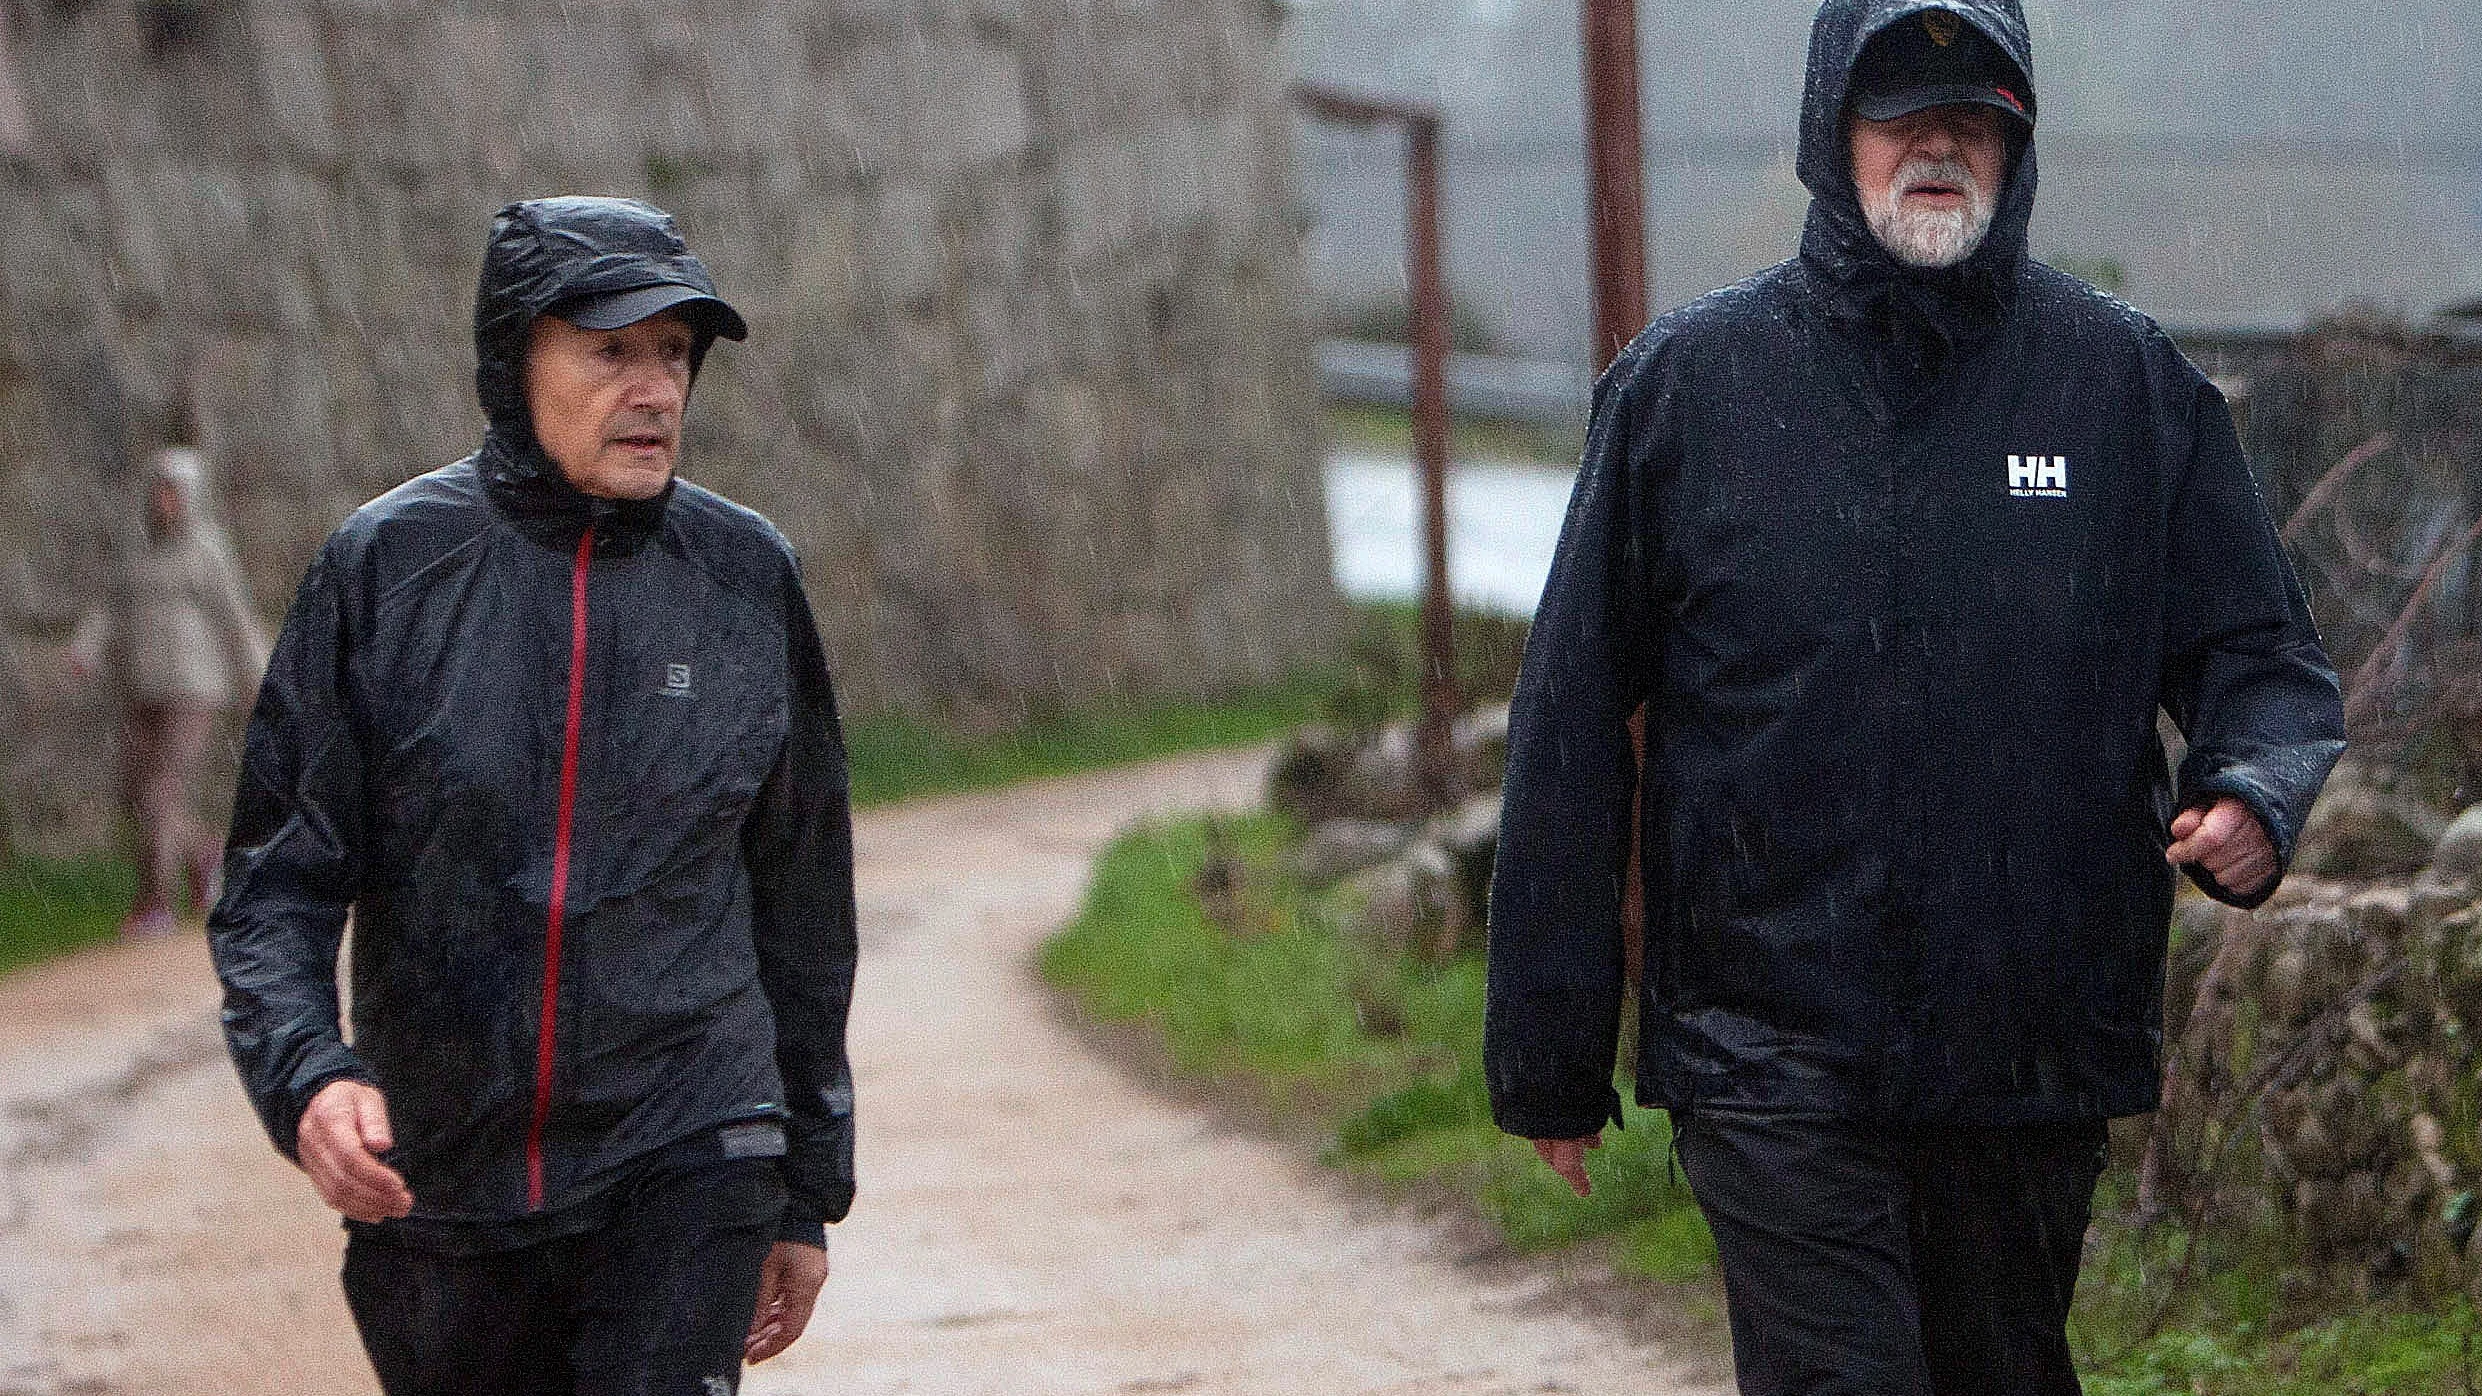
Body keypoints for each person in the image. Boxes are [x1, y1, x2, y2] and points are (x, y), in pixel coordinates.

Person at [1483, 4, 2346, 1393]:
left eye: (1974, 118)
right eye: (1901, 114)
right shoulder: (1686, 394)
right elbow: (1570, 730)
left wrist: (2253, 790)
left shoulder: (2120, 388)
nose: (1936, 146)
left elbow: (2263, 660)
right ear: (1833, 134)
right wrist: (1546, 1055)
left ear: (2017, 145)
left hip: (2027, 1048)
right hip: (1767, 1052)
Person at [208, 196, 857, 1395]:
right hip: (442, 1174)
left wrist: (807, 1185)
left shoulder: (745, 577)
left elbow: (803, 897)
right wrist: (307, 1075)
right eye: (612, 350)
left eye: (674, 353)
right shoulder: (385, 572)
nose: (655, 387)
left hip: (688, 1141)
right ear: (517, 362)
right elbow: (274, 885)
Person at [68, 443, 270, 939]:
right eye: (159, 490)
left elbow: (235, 615)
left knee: (162, 794)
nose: (164, 501)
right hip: (143, 686)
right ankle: (204, 856)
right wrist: (86, 649)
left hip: (195, 687)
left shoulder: (207, 551)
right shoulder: (137, 551)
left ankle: (155, 901)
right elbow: (111, 607)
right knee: (138, 793)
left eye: (173, 492)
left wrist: (257, 676)